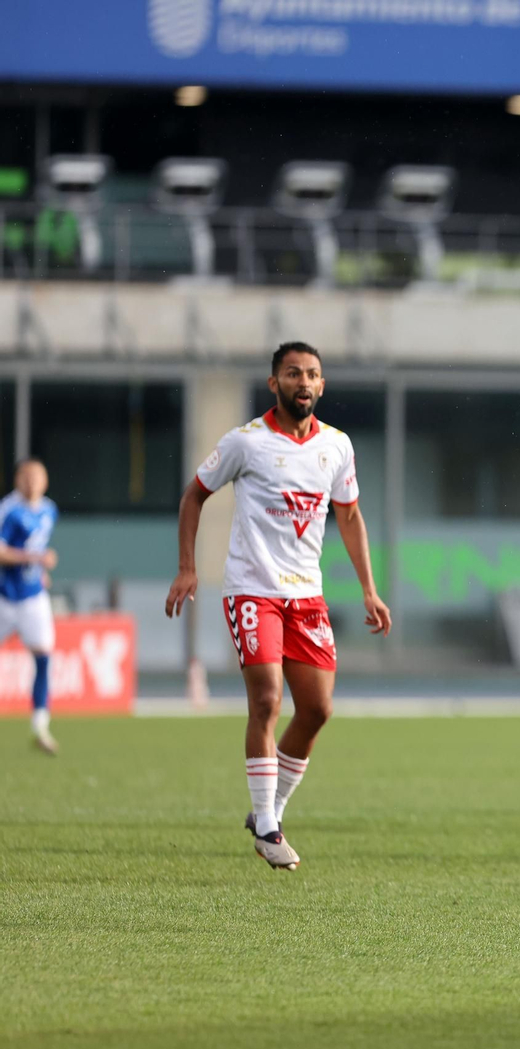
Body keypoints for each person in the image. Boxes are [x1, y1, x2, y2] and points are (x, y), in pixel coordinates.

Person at [165, 341, 392, 870]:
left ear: (322, 385)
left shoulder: (336, 446)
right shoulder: (245, 442)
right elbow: (194, 495)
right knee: (267, 700)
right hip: (253, 589)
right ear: (274, 384)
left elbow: (349, 516)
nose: (303, 382)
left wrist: (369, 588)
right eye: (293, 373)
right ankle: (268, 827)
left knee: (316, 710)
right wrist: (187, 566)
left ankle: (270, 810)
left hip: (306, 596)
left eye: (311, 374)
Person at [0, 459, 60, 754]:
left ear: (45, 481)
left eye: (37, 476)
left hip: (33, 597)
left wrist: (39, 572)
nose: (31, 482)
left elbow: (36, 547)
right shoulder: (8, 510)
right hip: (4, 596)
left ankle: (40, 726)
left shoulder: (49, 510)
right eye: (26, 476)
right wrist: (35, 560)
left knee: (44, 656)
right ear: (17, 480)